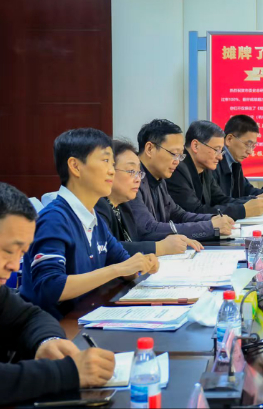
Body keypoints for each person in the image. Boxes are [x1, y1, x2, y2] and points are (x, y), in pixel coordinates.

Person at [21, 129, 159, 319]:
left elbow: (124, 263)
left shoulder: (94, 219)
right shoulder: (53, 219)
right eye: (105, 161)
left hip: (87, 318)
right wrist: (118, 269)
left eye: (112, 164)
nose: (111, 170)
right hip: (55, 328)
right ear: (75, 166)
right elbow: (51, 287)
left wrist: (141, 264)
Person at [0, 182, 118, 404]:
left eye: (21, 254)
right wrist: (68, 373)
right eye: (8, 251)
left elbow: (30, 317)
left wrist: (48, 340)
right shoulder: (56, 218)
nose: (15, 266)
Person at [127, 119, 234, 242]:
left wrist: (213, 219)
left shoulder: (159, 179)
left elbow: (178, 214)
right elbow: (148, 229)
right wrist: (210, 227)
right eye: (174, 154)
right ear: (150, 149)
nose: (177, 161)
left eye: (180, 155)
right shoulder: (132, 180)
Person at [96, 140, 203, 256]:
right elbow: (106, 249)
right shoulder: (98, 206)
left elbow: (138, 239)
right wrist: (160, 247)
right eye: (131, 171)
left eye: (139, 172)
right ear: (109, 171)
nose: (138, 179)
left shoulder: (124, 206)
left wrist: (175, 238)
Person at [166, 120, 263, 220]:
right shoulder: (177, 169)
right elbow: (195, 211)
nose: (220, 157)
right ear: (196, 146)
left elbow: (221, 199)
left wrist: (255, 201)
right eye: (216, 150)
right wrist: (243, 210)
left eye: (221, 151)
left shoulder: (205, 168)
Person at [214, 114, 263, 204]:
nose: (250, 151)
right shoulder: (214, 162)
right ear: (229, 139)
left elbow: (248, 190)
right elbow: (220, 202)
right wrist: (254, 199)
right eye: (248, 144)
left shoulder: (234, 163)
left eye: (253, 146)